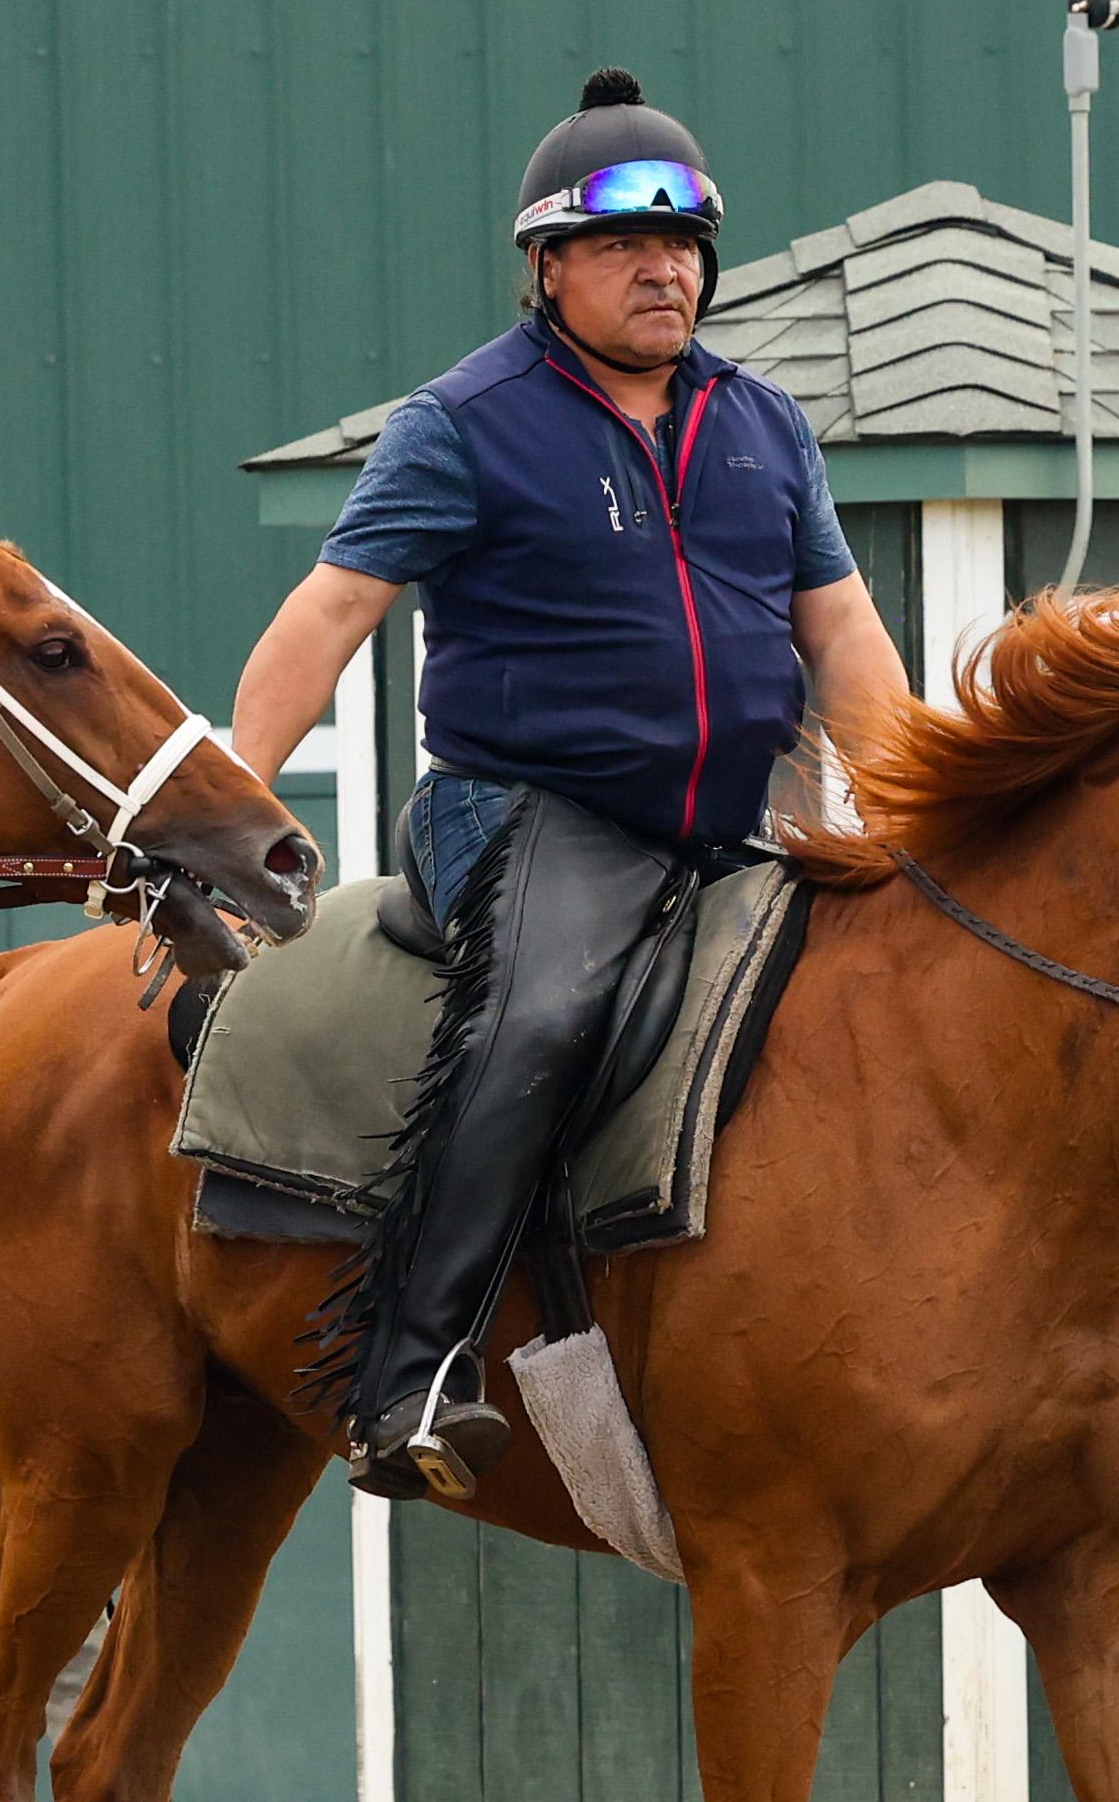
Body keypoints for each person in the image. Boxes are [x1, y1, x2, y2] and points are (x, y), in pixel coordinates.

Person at [228, 73, 913, 1501]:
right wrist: (237, 794)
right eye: (619, 247)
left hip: (730, 823)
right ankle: (408, 1378)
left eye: (682, 245)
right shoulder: (461, 422)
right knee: (541, 1011)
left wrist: (913, 805)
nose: (661, 268)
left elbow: (838, 630)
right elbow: (330, 612)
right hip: (528, 808)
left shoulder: (763, 426)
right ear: (547, 268)